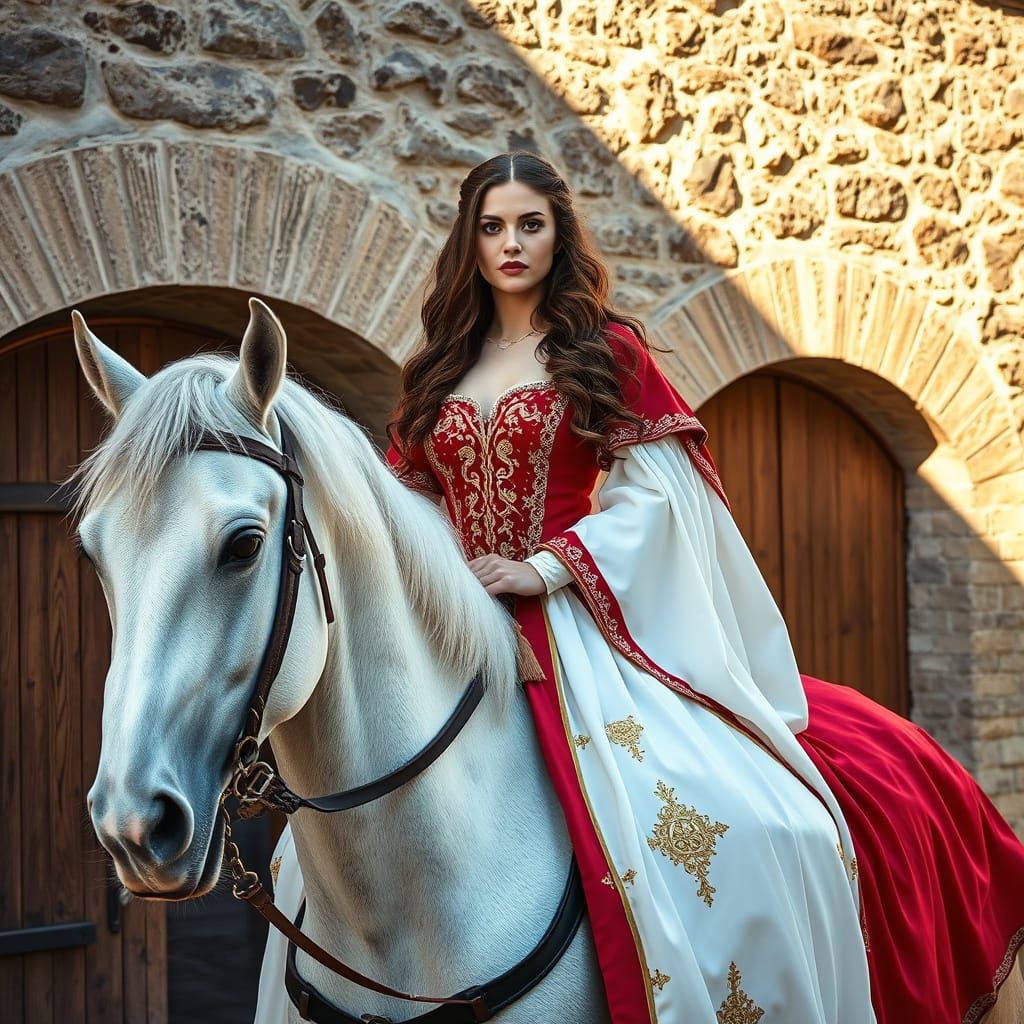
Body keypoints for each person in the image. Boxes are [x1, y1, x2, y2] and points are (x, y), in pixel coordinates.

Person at [268, 152, 1024, 1023]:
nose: (510, 244)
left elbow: (658, 493)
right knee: (317, 850)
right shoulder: (437, 369)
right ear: (468, 241)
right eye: (492, 226)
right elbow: (408, 507)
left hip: (572, 626)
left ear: (558, 235)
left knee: (752, 825)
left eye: (529, 225)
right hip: (453, 631)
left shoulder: (604, 352)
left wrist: (545, 566)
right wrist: (436, 580)